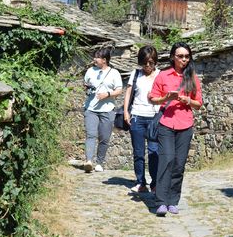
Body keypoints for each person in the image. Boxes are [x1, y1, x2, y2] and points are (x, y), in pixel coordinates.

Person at [148, 42, 202, 216]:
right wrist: (166, 98)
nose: (184, 59)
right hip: (166, 123)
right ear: (173, 57)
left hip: (185, 125)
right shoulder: (163, 75)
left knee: (179, 164)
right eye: (180, 56)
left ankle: (173, 201)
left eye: (187, 56)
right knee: (167, 160)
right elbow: (152, 98)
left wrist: (188, 100)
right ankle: (161, 202)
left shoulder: (192, 77)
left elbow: (198, 104)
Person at [123, 45, 160, 193]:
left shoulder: (160, 75)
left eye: (151, 62)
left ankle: (155, 183)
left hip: (154, 118)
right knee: (138, 153)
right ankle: (140, 182)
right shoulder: (136, 74)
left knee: (154, 152)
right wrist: (126, 112)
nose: (148, 66)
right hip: (137, 116)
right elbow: (128, 93)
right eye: (145, 62)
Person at [83, 47, 122, 173]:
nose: (94, 59)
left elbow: (119, 90)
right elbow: (85, 84)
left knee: (104, 138)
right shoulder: (90, 71)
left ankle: (99, 163)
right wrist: (87, 87)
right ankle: (89, 161)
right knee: (91, 134)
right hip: (91, 108)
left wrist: (107, 94)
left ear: (104, 60)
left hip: (107, 109)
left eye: (97, 57)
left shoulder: (114, 73)